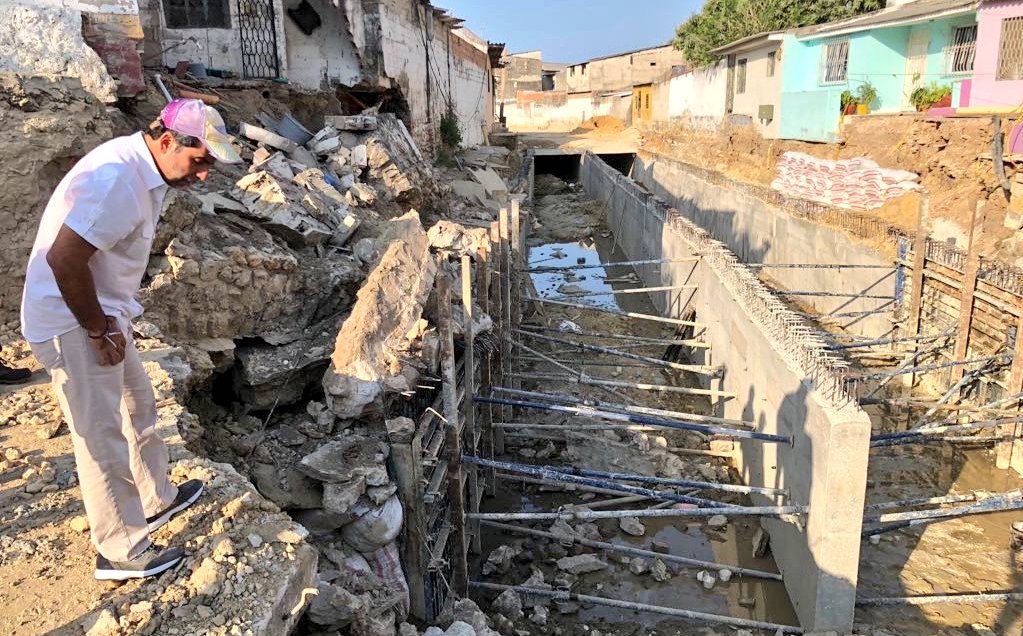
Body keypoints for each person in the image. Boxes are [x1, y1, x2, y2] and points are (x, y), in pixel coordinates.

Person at [21, 99, 242, 580]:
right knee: (100, 434)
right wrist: (97, 329)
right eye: (200, 160)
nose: (204, 176)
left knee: (136, 404)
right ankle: (120, 549)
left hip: (102, 310)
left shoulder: (151, 169)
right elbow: (64, 260)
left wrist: (109, 319)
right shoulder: (117, 179)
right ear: (167, 141)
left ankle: (154, 499)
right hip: (72, 320)